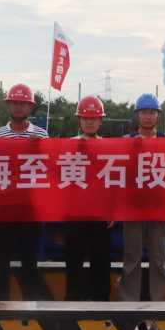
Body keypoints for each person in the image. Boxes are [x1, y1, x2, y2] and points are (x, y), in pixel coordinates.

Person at [0, 83, 47, 298]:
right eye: (14, 103)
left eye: (23, 103)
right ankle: (0, 305)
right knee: (2, 261)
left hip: (30, 208)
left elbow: (49, 169)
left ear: (30, 107)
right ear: (8, 105)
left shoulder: (41, 135)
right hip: (3, 207)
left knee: (29, 261)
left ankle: (30, 307)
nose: (18, 107)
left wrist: (39, 148)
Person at [120, 93, 165, 301]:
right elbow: (117, 173)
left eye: (152, 112)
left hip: (159, 208)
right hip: (133, 207)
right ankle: (128, 301)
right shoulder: (126, 142)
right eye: (144, 112)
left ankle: (159, 302)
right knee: (132, 256)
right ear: (137, 115)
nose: (148, 116)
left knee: (159, 257)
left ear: (157, 115)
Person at [63, 96, 114, 300]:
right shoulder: (67, 146)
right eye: (85, 118)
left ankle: (101, 303)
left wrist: (112, 210)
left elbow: (113, 183)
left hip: (100, 215)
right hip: (74, 214)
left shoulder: (109, 148)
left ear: (101, 121)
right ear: (79, 120)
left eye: (94, 118)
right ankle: (71, 302)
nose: (89, 122)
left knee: (101, 261)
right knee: (73, 261)